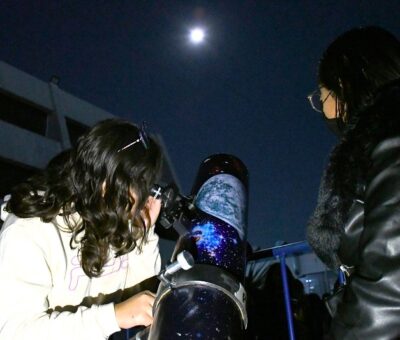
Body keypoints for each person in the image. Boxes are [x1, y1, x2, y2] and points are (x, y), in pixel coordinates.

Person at [0, 119, 163, 339]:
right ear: (101, 172)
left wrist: (143, 233)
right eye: (136, 182)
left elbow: (137, 296)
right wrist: (112, 318)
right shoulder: (30, 229)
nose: (142, 196)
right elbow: (15, 332)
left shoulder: (108, 222)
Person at [306, 26, 400, 339]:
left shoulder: (390, 134)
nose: (323, 111)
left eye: (321, 98)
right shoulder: (378, 142)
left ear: (344, 88)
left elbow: (390, 282)